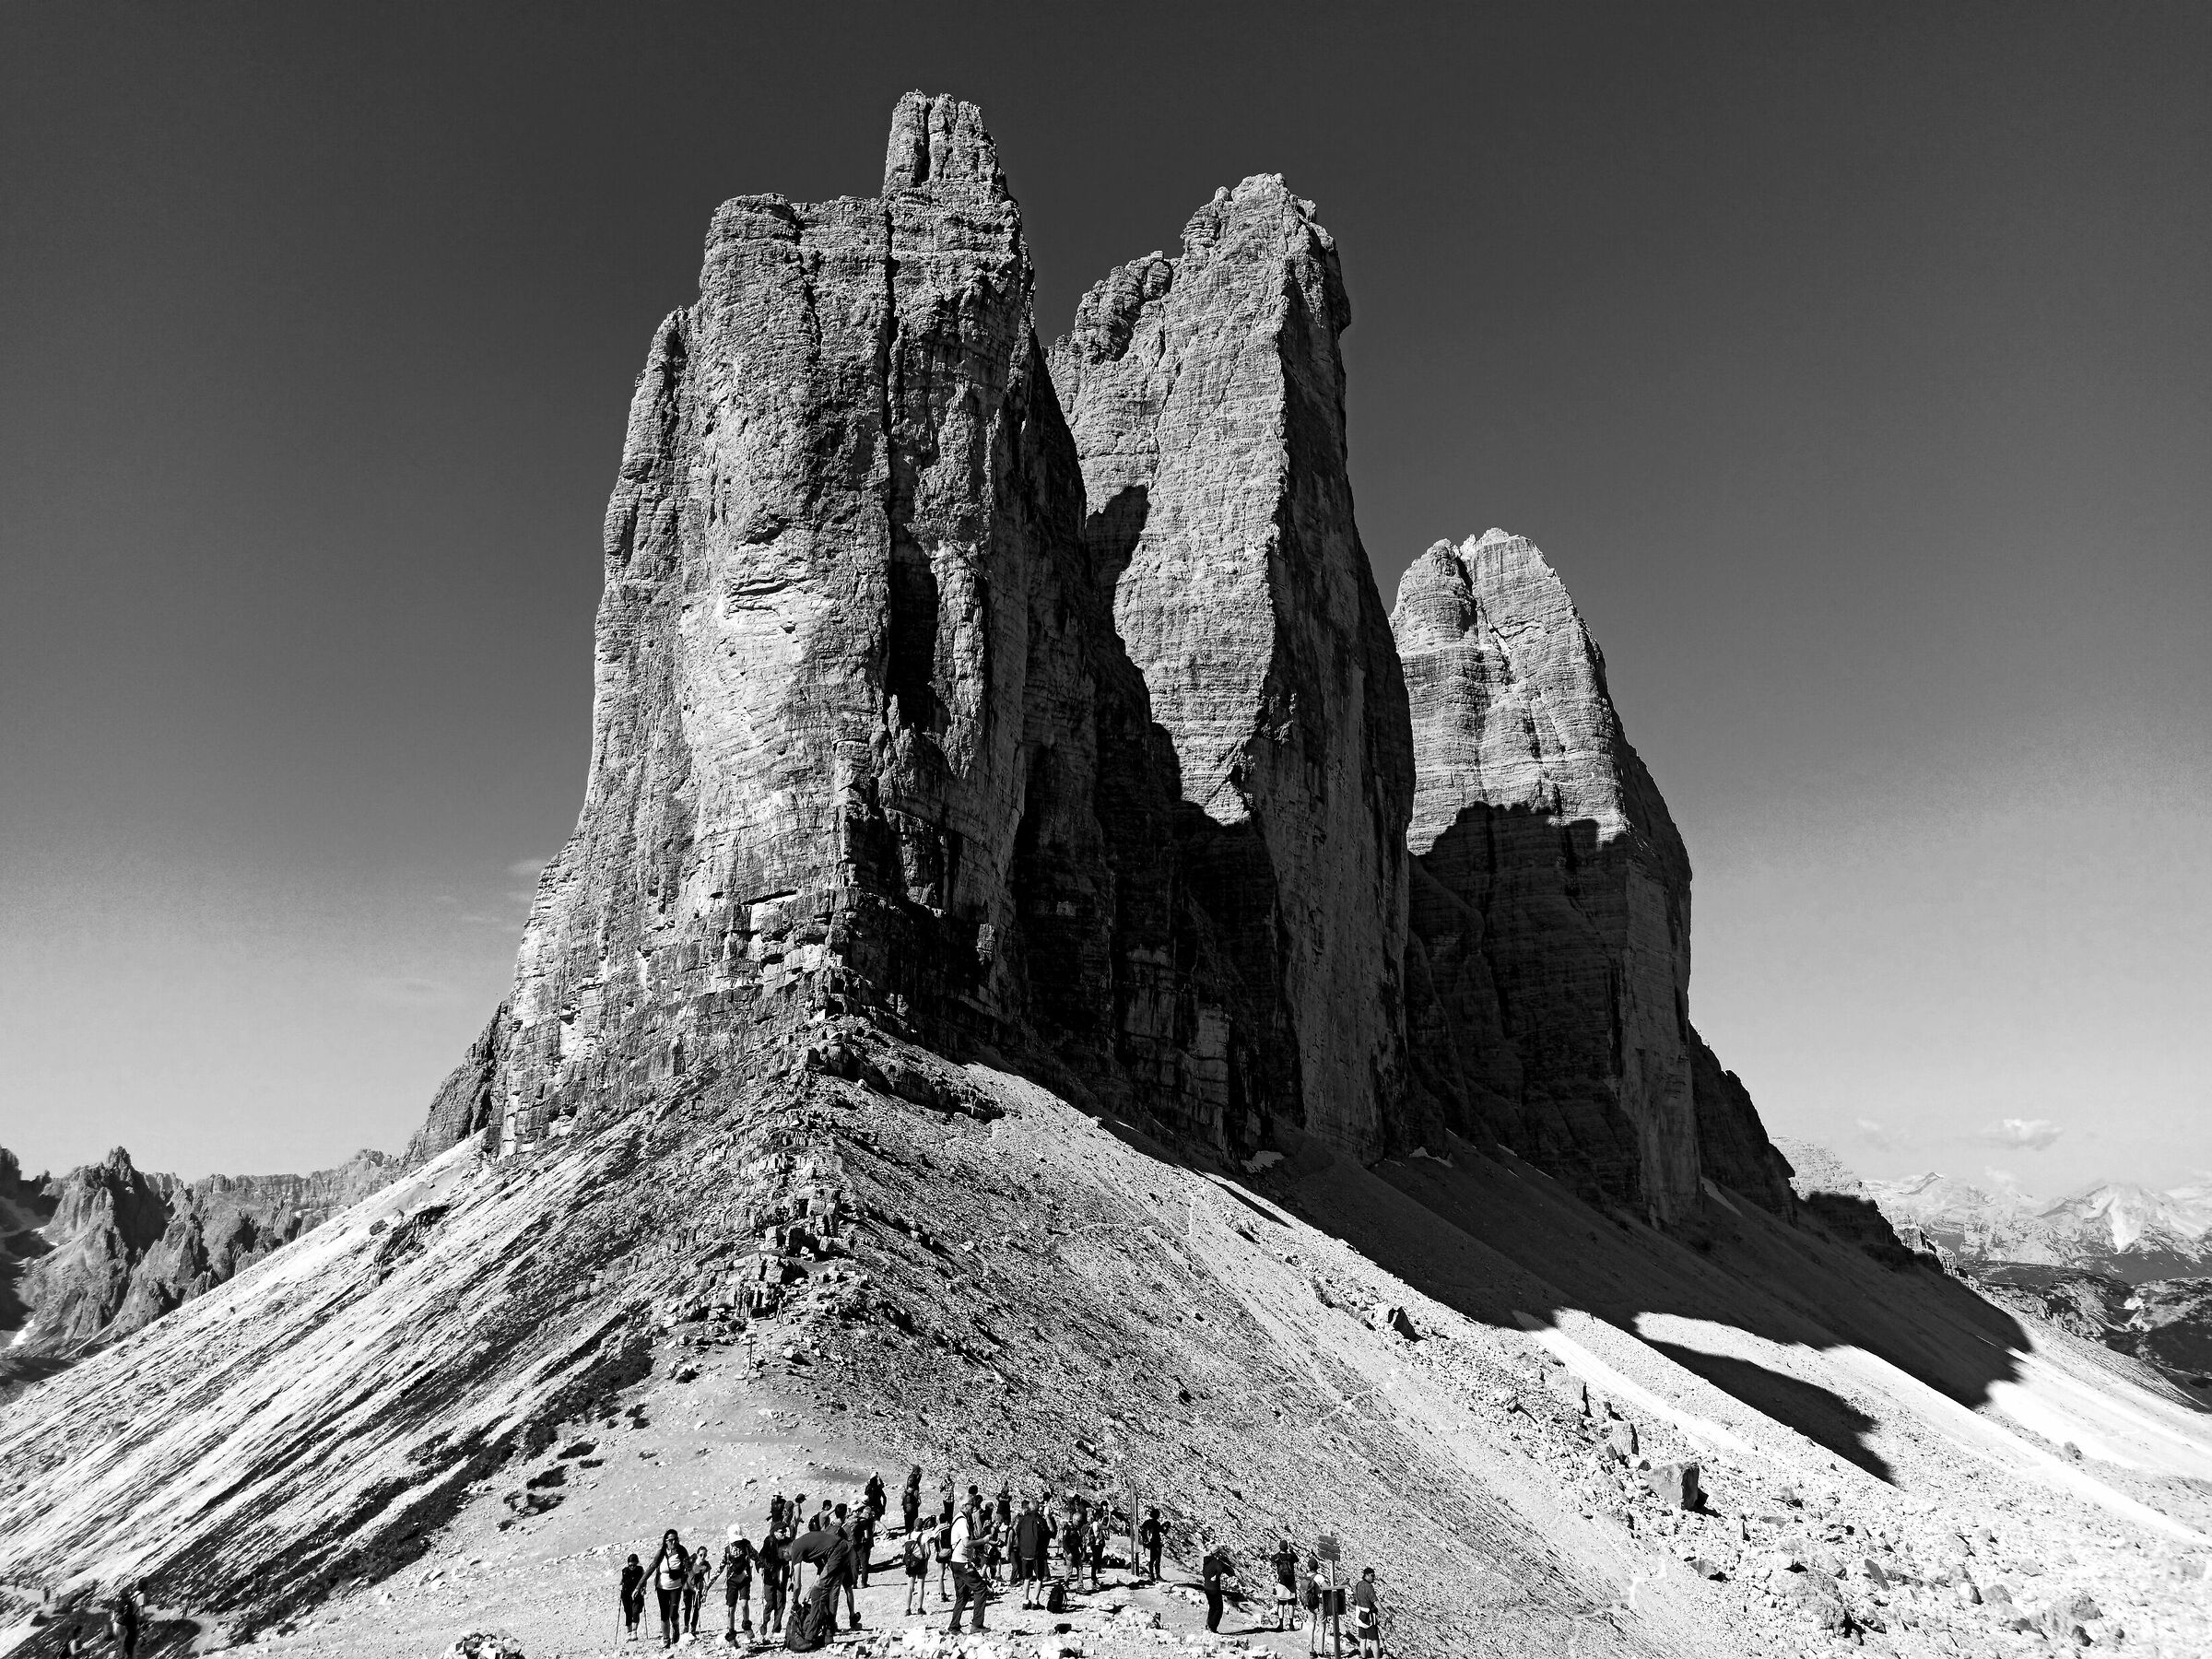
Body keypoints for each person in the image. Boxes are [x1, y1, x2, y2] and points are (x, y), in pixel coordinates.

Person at [644, 1530, 690, 1648]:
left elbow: (688, 1568)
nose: (674, 1542)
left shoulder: (681, 1551)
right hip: (662, 1587)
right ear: (666, 1541)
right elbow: (652, 1567)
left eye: (676, 1539)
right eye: (671, 1540)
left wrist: (692, 1582)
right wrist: (640, 1585)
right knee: (664, 1614)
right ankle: (666, 1639)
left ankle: (675, 1627)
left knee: (673, 1613)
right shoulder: (661, 1553)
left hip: (676, 1586)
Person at [1011, 1497, 1049, 1610]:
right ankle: (1035, 1601)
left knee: (1026, 1577)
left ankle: (1025, 1600)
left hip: (1024, 1553)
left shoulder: (1022, 1519)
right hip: (1037, 1553)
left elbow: (1017, 1532)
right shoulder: (1040, 1520)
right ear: (1038, 1508)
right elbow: (1046, 1534)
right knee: (1039, 1577)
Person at [721, 1527, 756, 1642]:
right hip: (732, 1581)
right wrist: (708, 1585)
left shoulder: (746, 1545)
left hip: (744, 1579)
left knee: (744, 1604)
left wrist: (763, 1567)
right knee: (731, 1608)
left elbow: (756, 1556)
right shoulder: (727, 1550)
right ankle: (731, 1635)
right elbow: (720, 1567)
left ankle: (747, 1626)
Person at [759, 1531, 790, 1638]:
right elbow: (761, 1557)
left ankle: (776, 1629)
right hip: (770, 1576)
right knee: (770, 1602)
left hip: (782, 1575)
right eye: (782, 1532)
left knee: (780, 1602)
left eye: (785, 1531)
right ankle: (764, 1624)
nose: (784, 1533)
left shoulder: (787, 1541)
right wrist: (761, 1567)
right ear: (776, 1532)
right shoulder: (769, 1541)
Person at [1201, 1545, 1235, 1634]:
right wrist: (1216, 1576)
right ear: (1217, 1553)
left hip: (1207, 1587)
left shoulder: (1206, 1561)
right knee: (1219, 1608)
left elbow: (1204, 1573)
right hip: (1214, 1588)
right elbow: (1221, 1569)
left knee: (1212, 1607)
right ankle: (1212, 1627)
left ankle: (1208, 1624)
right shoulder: (1216, 1562)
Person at [1349, 1568, 1381, 1657]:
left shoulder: (1359, 1584)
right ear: (1366, 1575)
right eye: (1372, 1575)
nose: (1373, 1578)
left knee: (1362, 1640)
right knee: (1375, 1640)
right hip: (1369, 1617)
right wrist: (1386, 1612)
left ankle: (1363, 1656)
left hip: (1359, 1615)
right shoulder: (1369, 1587)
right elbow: (1375, 1602)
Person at [901, 1523, 932, 1616]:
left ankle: (907, 1609)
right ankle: (920, 1608)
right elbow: (928, 1552)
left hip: (910, 1563)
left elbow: (905, 1551)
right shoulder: (924, 1536)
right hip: (921, 1563)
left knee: (910, 1587)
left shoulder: (908, 1536)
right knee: (920, 1585)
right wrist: (925, 1560)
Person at [684, 1542, 713, 1636]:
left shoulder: (706, 1565)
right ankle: (686, 1627)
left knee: (696, 1608)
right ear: (697, 1554)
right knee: (688, 1607)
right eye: (701, 1555)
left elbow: (707, 1579)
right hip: (688, 1587)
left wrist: (705, 1592)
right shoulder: (691, 1563)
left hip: (699, 1588)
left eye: (704, 1555)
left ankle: (693, 1628)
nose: (702, 1557)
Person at [1270, 1540, 1300, 1631]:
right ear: (1287, 1547)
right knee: (1291, 1604)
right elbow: (1297, 1559)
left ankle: (1281, 1625)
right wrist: (1291, 1550)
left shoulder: (1278, 1557)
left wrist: (1277, 1551)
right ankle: (1291, 1624)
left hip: (1281, 1583)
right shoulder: (1290, 1556)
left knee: (1281, 1604)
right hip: (1291, 1583)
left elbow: (1271, 1559)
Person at [110, 1584, 142, 1659]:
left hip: (121, 1630)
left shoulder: (118, 1606)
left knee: (125, 1647)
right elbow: (129, 1617)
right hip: (128, 1631)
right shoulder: (128, 1605)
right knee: (131, 1648)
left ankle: (121, 1656)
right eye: (128, 1596)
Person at [621, 1553, 647, 1641]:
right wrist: (620, 1587)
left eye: (634, 1565)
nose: (632, 1567)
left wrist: (643, 1588)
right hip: (626, 1595)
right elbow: (621, 1582)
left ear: (637, 1563)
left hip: (637, 1594)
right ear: (628, 1563)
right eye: (630, 1565)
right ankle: (628, 1633)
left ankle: (634, 1632)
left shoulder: (640, 1570)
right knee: (628, 1613)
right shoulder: (624, 1571)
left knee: (636, 1612)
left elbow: (644, 1580)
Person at [1138, 1508, 1165, 1583]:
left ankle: (1151, 1575)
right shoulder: (1156, 1523)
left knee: (1152, 1560)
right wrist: (1166, 1526)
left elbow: (1142, 1530)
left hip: (1150, 1543)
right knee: (1157, 1560)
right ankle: (1157, 1575)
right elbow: (1163, 1531)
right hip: (1156, 1543)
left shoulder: (1146, 1522)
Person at [901, 1466, 923, 1538]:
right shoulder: (913, 1477)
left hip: (909, 1500)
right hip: (912, 1500)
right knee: (913, 1516)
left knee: (909, 1517)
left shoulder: (912, 1476)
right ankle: (911, 1531)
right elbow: (912, 1485)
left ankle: (909, 1531)